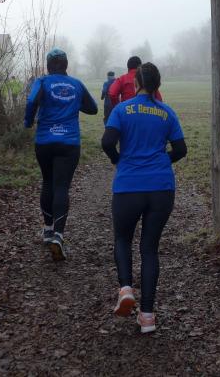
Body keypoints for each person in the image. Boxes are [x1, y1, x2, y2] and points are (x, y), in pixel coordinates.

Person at [101, 62, 187, 333]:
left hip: (128, 186)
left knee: (122, 239)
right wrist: (162, 161)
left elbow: (107, 142)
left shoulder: (121, 110)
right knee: (149, 249)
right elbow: (181, 149)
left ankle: (126, 289)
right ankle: (147, 316)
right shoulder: (167, 112)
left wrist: (118, 160)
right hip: (161, 188)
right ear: (157, 85)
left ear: (136, 83)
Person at [24, 48, 98, 261]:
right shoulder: (76, 84)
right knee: (62, 186)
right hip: (69, 143)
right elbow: (93, 108)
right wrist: (73, 104)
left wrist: (28, 122)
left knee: (48, 182)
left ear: (48, 66)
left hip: (45, 141)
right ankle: (58, 235)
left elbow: (31, 101)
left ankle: (47, 229)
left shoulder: (42, 82)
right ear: (66, 65)